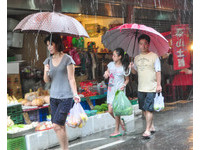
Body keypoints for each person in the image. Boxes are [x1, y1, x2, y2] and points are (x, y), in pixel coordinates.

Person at [43, 34, 81, 150]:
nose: (49, 47)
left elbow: (71, 78)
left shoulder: (67, 59)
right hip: (53, 97)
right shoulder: (48, 60)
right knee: (61, 126)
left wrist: (75, 94)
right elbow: (47, 80)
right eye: (47, 45)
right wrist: (46, 71)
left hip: (66, 97)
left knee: (56, 126)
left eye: (51, 44)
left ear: (57, 44)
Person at [130, 34, 162, 139]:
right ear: (138, 45)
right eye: (141, 44)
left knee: (149, 109)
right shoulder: (137, 58)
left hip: (151, 87)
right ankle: (151, 125)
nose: (143, 46)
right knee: (143, 109)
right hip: (141, 87)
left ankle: (147, 130)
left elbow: (158, 71)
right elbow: (135, 72)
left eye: (145, 44)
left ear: (148, 44)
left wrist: (158, 84)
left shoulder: (154, 56)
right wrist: (132, 67)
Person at [104, 48, 131, 137]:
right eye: (113, 55)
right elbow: (106, 73)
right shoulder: (110, 65)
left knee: (116, 111)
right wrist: (106, 74)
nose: (112, 56)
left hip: (119, 91)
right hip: (111, 91)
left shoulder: (124, 67)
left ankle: (117, 130)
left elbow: (127, 80)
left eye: (114, 55)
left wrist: (124, 85)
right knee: (110, 110)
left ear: (120, 57)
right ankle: (121, 122)